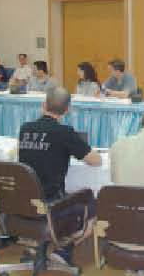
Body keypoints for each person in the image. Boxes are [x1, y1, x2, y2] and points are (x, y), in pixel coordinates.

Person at [18, 86, 102, 265]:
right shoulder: (64, 133)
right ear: (67, 110)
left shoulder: (25, 129)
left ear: (43, 105)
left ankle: (34, 244)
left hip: (24, 202)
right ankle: (64, 249)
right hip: (51, 201)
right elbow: (95, 161)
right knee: (93, 204)